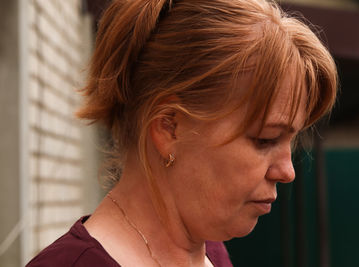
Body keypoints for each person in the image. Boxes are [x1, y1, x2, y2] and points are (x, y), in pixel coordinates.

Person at [26, 0, 337, 266]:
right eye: (265, 139)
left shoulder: (211, 251)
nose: (288, 171)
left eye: (290, 141)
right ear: (168, 127)